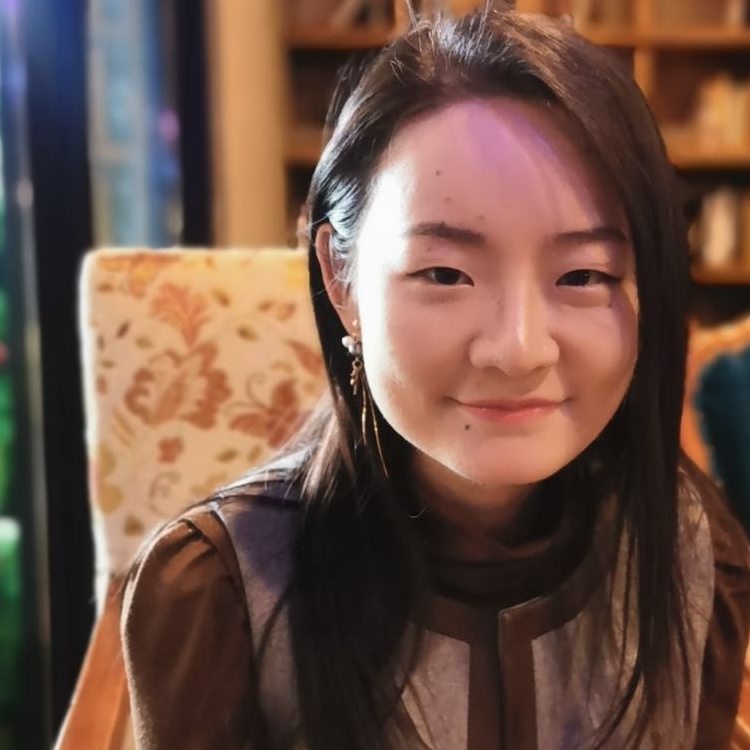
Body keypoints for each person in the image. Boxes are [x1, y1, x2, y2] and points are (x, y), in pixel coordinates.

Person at [120, 5, 750, 749]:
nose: (518, 350)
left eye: (582, 275)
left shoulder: (689, 555)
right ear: (341, 280)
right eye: (446, 273)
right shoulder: (223, 594)